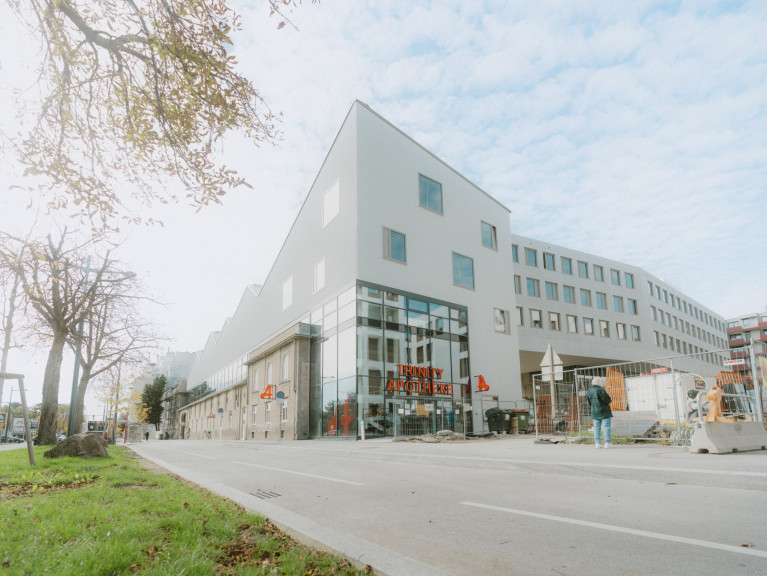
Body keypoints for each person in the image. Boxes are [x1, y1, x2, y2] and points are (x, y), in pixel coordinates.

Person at [586, 376, 613, 449]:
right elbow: (608, 400)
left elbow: (589, 402)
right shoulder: (601, 390)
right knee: (606, 427)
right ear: (599, 383)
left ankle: (597, 443)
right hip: (604, 412)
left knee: (596, 428)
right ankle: (607, 443)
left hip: (594, 412)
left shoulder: (589, 391)